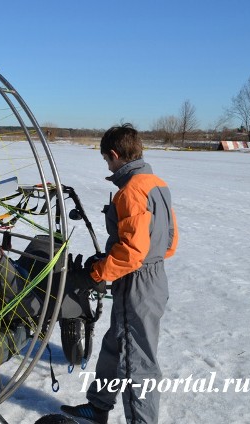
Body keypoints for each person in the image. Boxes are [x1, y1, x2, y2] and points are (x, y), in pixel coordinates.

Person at [60, 124, 178, 424]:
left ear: (114, 155)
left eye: (106, 160)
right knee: (115, 344)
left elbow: (132, 252)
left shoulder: (131, 191)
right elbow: (170, 241)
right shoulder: (157, 184)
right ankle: (98, 407)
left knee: (136, 362)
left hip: (138, 283)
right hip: (151, 277)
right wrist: (116, 260)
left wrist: (98, 272)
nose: (108, 166)